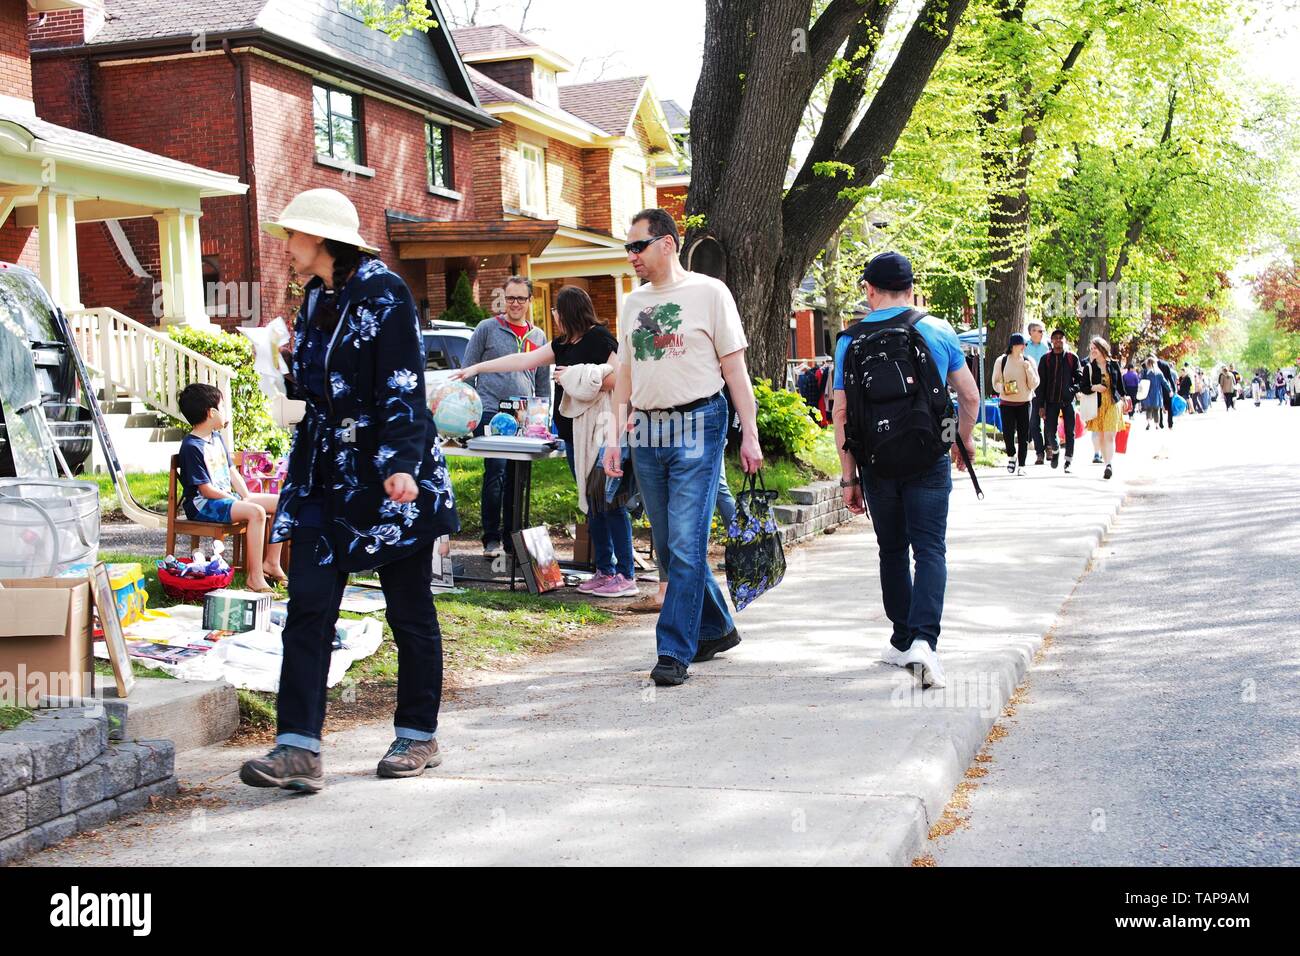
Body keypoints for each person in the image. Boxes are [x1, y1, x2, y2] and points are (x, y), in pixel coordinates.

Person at [239, 188, 458, 792]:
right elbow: (315, 387)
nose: (286, 245)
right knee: (308, 605)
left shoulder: (384, 293)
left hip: (392, 474)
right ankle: (298, 751)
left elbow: (403, 385)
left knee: (409, 608)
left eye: (292, 234)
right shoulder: (314, 299)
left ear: (318, 238)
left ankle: (418, 733)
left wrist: (401, 464)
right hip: (325, 472)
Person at [603, 208, 763, 687]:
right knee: (672, 546)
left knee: (686, 543)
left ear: (667, 244)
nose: (630, 255)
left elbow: (735, 370)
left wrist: (749, 434)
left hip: (700, 421)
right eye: (628, 247)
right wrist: (615, 438)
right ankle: (715, 628)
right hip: (647, 430)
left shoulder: (710, 293)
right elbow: (624, 377)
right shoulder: (632, 304)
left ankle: (674, 650)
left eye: (638, 246)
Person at [833, 251, 979, 691]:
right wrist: (959, 439)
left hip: (877, 461)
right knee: (930, 549)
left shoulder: (848, 341)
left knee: (892, 550)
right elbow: (968, 398)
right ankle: (924, 643)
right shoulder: (935, 328)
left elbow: (841, 411)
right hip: (928, 456)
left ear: (869, 290)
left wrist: (849, 476)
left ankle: (901, 639)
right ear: (912, 287)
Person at [453, 286, 637, 598]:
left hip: (602, 431)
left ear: (569, 311)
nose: (553, 315)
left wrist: (575, 375)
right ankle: (604, 570)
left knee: (610, 502)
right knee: (592, 503)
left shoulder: (600, 338)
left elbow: (619, 378)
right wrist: (477, 367)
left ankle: (625, 574)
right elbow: (524, 360)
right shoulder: (563, 343)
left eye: (556, 309)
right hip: (571, 433)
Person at [462, 277, 551, 558]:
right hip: (490, 412)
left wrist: (542, 418)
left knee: (518, 476)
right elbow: (469, 370)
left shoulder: (538, 336)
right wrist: (470, 414)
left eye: (520, 299)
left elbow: (542, 382)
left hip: (524, 416)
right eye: (510, 298)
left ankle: (514, 541)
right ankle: (491, 539)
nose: (514, 304)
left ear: (529, 301)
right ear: (503, 301)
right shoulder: (487, 329)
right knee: (496, 472)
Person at [176, 383, 284, 592]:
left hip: (226, 498)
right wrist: (238, 500)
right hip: (203, 504)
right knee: (257, 512)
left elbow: (231, 471)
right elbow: (206, 490)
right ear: (211, 412)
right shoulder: (191, 447)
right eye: (223, 407)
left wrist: (246, 495)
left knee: (283, 502)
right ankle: (255, 578)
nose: (226, 412)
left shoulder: (216, 438)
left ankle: (271, 563)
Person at [1035, 329, 1083, 472]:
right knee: (1049, 430)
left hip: (1068, 402)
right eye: (1055, 338)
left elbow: (1080, 378)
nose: (1058, 340)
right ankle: (1055, 449)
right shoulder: (1046, 359)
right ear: (1051, 341)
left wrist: (1072, 390)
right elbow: (1040, 384)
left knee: (1070, 431)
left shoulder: (1071, 358)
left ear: (1064, 340)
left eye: (1060, 338)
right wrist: (1041, 405)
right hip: (1050, 401)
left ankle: (1068, 460)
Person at [991, 332, 1039, 474]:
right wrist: (1003, 389)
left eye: (1024, 344)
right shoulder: (1002, 361)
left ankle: (1022, 466)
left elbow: (1035, 383)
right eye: (1021, 344)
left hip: (1025, 402)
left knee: (1024, 434)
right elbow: (995, 382)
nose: (1024, 347)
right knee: (1007, 433)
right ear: (1013, 346)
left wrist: (1028, 369)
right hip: (1007, 402)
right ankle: (1012, 457)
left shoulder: (1028, 360)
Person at [1084, 337, 1124, 480]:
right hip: (1098, 404)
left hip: (1113, 403)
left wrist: (1125, 398)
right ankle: (1105, 460)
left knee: (1109, 435)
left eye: (1095, 348)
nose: (1093, 350)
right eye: (1091, 348)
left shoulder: (1113, 364)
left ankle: (1109, 464)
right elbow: (1083, 387)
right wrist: (1094, 387)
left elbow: (1120, 385)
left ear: (1102, 348)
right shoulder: (1089, 366)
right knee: (1100, 435)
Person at [1023, 321, 1050, 464]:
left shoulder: (1047, 346)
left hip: (1046, 387)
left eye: (1043, 331)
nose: (1042, 334)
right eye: (1039, 331)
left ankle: (1049, 447)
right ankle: (1039, 453)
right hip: (1031, 387)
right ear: (1031, 332)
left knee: (1048, 419)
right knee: (1033, 422)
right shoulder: (1024, 347)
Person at [1140, 357, 1168, 428]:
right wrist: (1169, 390)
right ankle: (1156, 425)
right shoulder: (1158, 373)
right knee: (1156, 409)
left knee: (1148, 409)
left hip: (1147, 393)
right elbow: (1164, 382)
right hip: (1156, 394)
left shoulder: (1145, 372)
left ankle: (1148, 422)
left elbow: (1141, 382)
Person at [1156, 356, 1178, 429]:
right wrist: (1174, 389)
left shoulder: (1154, 365)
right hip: (1166, 388)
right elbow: (1170, 378)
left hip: (1158, 388)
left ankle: (1161, 422)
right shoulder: (1166, 365)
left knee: (1160, 406)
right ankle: (1170, 423)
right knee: (1169, 406)